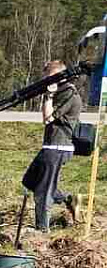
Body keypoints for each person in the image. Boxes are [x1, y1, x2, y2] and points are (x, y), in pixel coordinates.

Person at [29, 60, 82, 232]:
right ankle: (68, 199)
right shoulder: (61, 91)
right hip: (50, 145)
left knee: (43, 192)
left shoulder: (69, 93)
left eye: (48, 77)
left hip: (58, 147)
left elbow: (48, 118)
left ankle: (41, 231)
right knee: (30, 180)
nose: (46, 81)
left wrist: (49, 96)